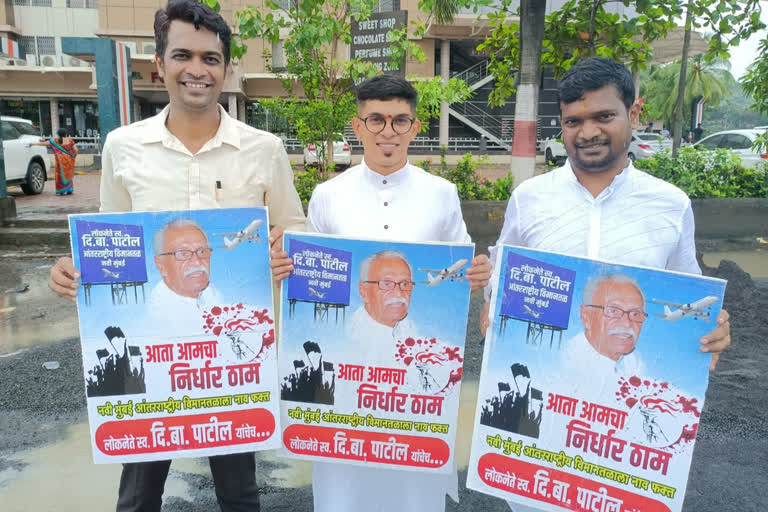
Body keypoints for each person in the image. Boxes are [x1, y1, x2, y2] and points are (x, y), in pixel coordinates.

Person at [48, 1, 306, 510]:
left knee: (239, 492)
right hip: (151, 349)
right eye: (183, 55)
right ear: (159, 65)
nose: (197, 70)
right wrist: (73, 269)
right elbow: (109, 237)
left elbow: (293, 224)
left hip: (230, 358)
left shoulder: (263, 148)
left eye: (211, 58)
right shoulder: (124, 146)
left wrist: (284, 248)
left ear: (227, 68)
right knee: (139, 494)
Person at [480, 57, 731, 510]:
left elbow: (688, 293)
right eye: (573, 121)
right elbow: (503, 272)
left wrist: (712, 328)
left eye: (603, 116)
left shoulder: (670, 205)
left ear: (634, 115)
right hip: (545, 420)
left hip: (626, 435)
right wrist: (491, 302)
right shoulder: (530, 198)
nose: (587, 132)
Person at [270, 74, 492, 512]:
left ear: (415, 126)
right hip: (348, 371)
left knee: (414, 496)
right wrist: (285, 269)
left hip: (415, 384)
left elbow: (458, 263)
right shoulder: (328, 195)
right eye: (376, 120)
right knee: (343, 493)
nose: (387, 132)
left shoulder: (441, 194)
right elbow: (316, 284)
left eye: (399, 121)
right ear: (358, 126)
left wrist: (478, 272)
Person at [564, 273, 648, 383]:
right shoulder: (566, 359)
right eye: (613, 311)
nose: (627, 324)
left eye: (635, 314)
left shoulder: (635, 363)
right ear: (586, 317)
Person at [346, 250, 416, 340]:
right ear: (364, 292)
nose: (399, 293)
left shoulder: (410, 328)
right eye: (386, 284)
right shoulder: (351, 334)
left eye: (405, 284)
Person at [30, 128, 78, 195]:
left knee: (60, 176)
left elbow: (45, 143)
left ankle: (61, 190)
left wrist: (33, 144)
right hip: (68, 161)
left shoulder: (55, 141)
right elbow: (76, 150)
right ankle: (69, 190)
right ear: (66, 134)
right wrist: (73, 157)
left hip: (59, 163)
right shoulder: (69, 141)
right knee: (68, 174)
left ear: (58, 135)